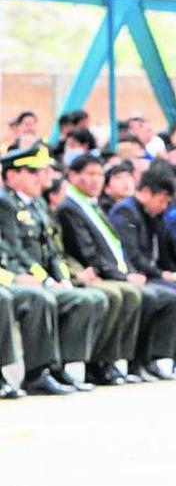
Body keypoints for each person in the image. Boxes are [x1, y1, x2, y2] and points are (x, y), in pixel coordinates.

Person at [58, 155, 176, 383]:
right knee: (132, 294)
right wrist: (123, 277)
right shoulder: (70, 208)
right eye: (90, 174)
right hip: (95, 275)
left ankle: (147, 359)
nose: (96, 180)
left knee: (168, 297)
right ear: (73, 176)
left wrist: (129, 273)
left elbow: (117, 250)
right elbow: (88, 253)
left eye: (99, 174)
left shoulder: (92, 205)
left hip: (115, 272)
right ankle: (106, 362)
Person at [0, 143, 109, 392]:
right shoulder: (5, 204)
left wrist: (60, 278)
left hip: (32, 276)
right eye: (33, 171)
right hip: (19, 277)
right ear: (12, 174)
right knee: (33, 298)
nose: (41, 177)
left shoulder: (36, 204)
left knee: (87, 299)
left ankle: (56, 367)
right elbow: (15, 253)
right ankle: (35, 374)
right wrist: (40, 279)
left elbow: (52, 251)